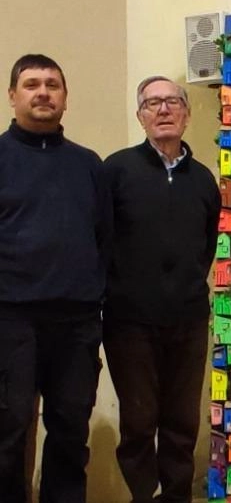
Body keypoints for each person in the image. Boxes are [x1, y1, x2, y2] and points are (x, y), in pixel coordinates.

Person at [102, 76, 220, 503]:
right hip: (128, 322)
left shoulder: (205, 180)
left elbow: (206, 246)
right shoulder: (116, 170)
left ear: (187, 115)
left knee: (181, 423)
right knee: (138, 422)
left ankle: (175, 497)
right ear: (140, 116)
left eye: (173, 102)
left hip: (187, 321)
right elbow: (101, 239)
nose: (164, 110)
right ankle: (142, 496)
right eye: (152, 103)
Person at [0, 54, 111, 502]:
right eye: (31, 84)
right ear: (12, 96)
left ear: (65, 98)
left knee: (69, 431)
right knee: (8, 434)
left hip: (76, 323)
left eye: (52, 85)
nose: (43, 92)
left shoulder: (88, 165)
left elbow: (105, 238)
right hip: (10, 322)